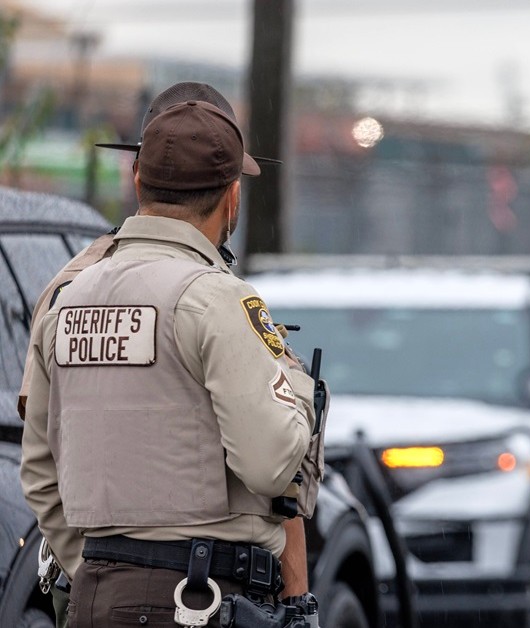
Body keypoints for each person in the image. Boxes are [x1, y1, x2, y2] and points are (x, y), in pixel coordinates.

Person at [20, 84, 324, 627]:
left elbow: (41, 473)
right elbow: (272, 466)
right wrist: (300, 391)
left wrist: (103, 571)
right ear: (232, 197)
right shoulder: (215, 298)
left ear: (138, 179)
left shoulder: (68, 296)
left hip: (94, 600)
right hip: (203, 600)